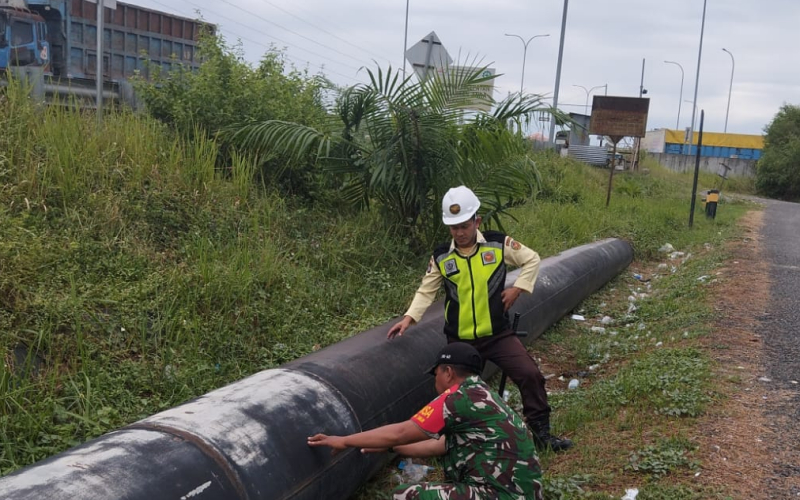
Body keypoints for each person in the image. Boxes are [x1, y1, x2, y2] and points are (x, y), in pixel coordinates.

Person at [387, 186, 572, 452]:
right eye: (454, 228)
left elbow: (531, 259)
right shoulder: (442, 256)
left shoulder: (498, 244)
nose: (460, 233)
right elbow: (426, 290)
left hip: (497, 334)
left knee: (530, 374)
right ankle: (458, 442)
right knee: (454, 392)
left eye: (464, 226)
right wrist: (409, 318)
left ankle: (541, 435)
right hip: (460, 341)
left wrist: (518, 288)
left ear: (477, 221)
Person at [308, 343, 543, 500]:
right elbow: (438, 445)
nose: (435, 380)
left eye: (436, 373)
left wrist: (344, 440)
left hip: (499, 495)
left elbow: (401, 432)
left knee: (406, 495)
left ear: (448, 372)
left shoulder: (456, 399)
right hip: (521, 494)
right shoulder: (483, 394)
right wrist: (391, 448)